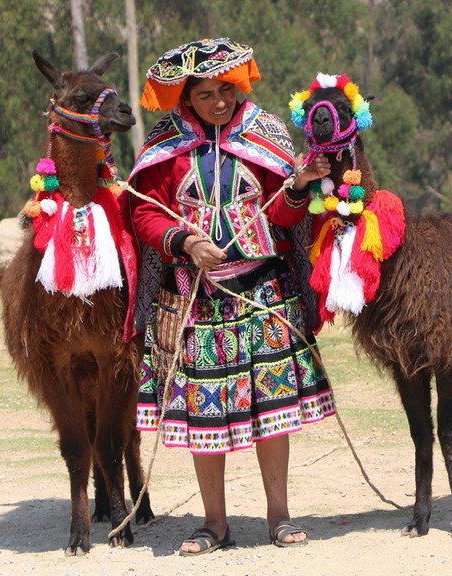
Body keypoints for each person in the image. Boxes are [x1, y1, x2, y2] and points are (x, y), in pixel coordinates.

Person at [128, 37, 336, 556]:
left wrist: (299, 186)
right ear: (185, 98)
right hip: (195, 299)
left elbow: (282, 216)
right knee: (204, 417)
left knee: (272, 411)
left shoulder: (264, 133)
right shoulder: (165, 145)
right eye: (205, 94)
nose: (219, 102)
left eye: (226, 90)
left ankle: (279, 517)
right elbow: (144, 212)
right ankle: (214, 523)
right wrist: (186, 242)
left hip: (263, 292)